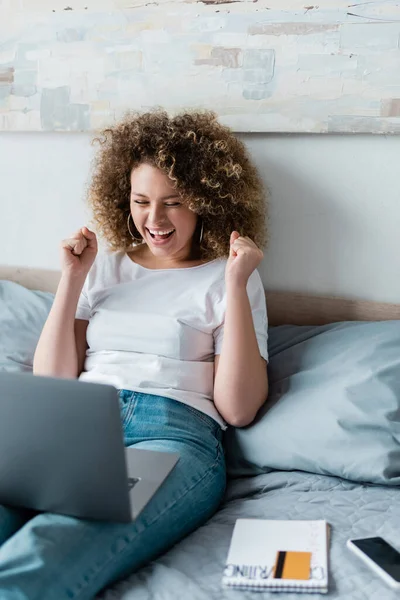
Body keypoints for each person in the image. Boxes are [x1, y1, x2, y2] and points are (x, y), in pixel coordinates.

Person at [0, 110, 269, 599]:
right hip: (73, 426)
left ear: (207, 201)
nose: (154, 220)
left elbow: (239, 408)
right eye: (141, 201)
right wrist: (72, 278)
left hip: (170, 435)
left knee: (55, 542)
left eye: (174, 203)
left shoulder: (229, 278)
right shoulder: (104, 268)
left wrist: (235, 284)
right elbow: (54, 380)